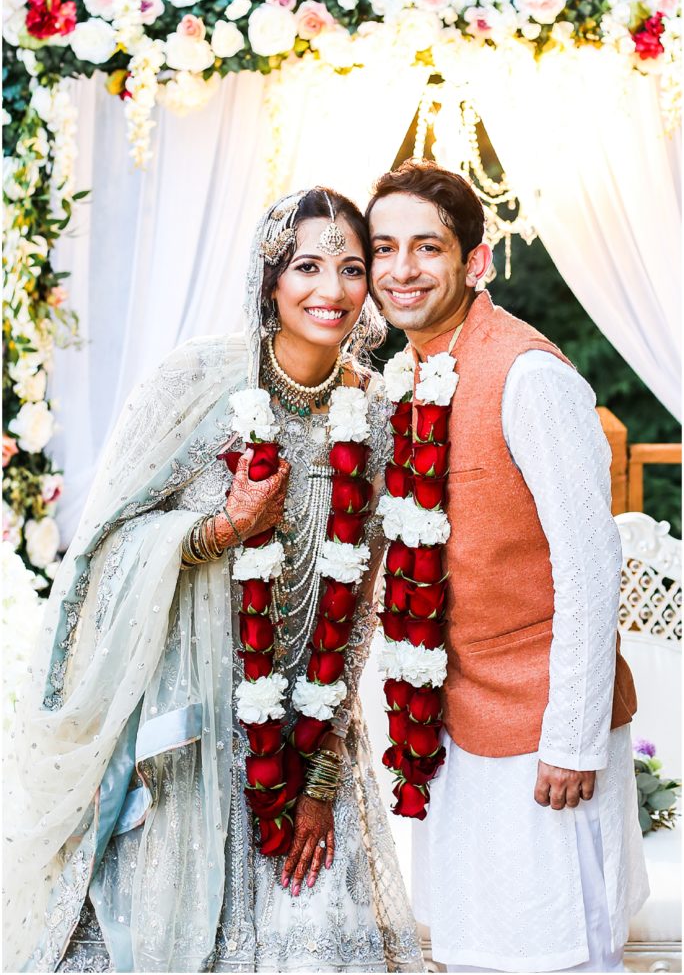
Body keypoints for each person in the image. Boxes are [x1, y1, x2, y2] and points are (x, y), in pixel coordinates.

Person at [4, 188, 423, 973]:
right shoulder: (195, 382)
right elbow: (102, 550)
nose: (329, 291)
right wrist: (221, 532)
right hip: (183, 743)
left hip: (309, 743)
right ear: (270, 280)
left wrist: (324, 778)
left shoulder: (374, 419)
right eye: (307, 265)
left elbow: (360, 604)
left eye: (351, 268)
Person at [367, 160, 649, 973]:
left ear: (476, 262)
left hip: (542, 739)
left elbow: (591, 570)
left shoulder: (527, 374)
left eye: (426, 247)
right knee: (478, 950)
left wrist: (572, 739)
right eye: (384, 249)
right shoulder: (408, 377)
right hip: (453, 731)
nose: (401, 269)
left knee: (558, 951)